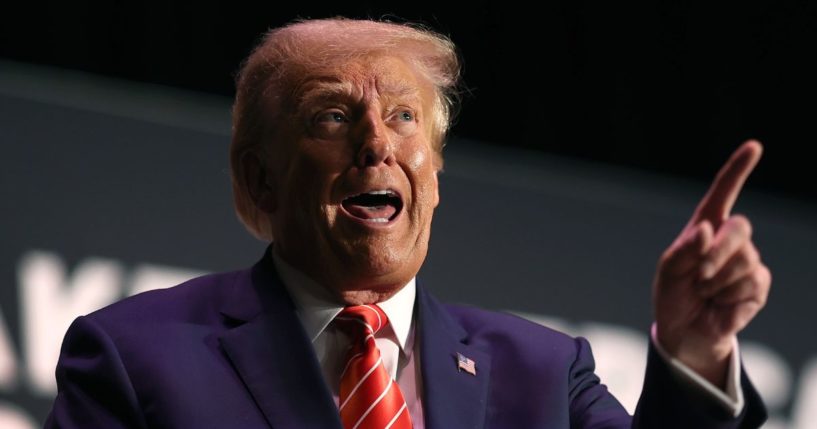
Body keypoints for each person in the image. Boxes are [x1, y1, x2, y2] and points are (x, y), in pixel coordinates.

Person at [45, 17, 770, 428]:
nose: (376, 144)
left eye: (402, 118)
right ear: (259, 175)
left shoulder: (544, 373)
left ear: (434, 173)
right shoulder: (131, 357)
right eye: (333, 115)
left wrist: (693, 349)